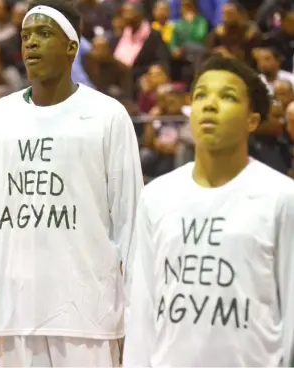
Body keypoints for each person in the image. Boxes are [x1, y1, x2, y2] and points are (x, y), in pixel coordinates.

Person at [0, 0, 143, 366]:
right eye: (27, 36)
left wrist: (138, 320)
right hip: (16, 318)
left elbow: (132, 226)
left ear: (71, 47)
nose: (31, 44)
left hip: (89, 318)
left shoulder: (108, 116)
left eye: (44, 34)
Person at [123, 55, 294, 367]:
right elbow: (142, 309)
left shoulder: (282, 197)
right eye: (201, 95)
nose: (210, 104)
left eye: (227, 96)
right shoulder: (156, 196)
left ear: (252, 120)